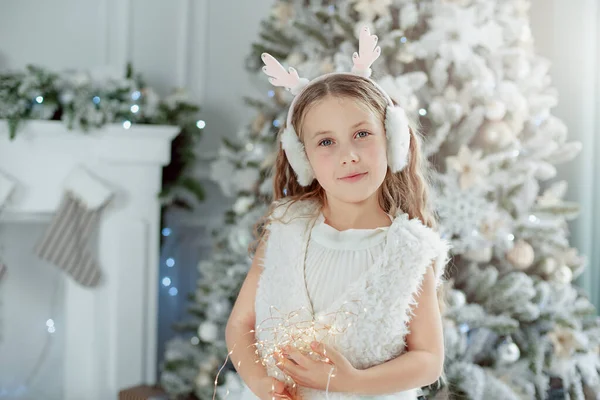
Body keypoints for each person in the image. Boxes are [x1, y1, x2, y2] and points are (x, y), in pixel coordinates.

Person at [225, 26, 451, 400]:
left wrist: (351, 382)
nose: (349, 155)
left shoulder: (407, 251)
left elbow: (428, 359)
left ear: (392, 140)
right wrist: (263, 384)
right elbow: (240, 324)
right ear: (304, 158)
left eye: (362, 134)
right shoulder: (287, 229)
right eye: (326, 141)